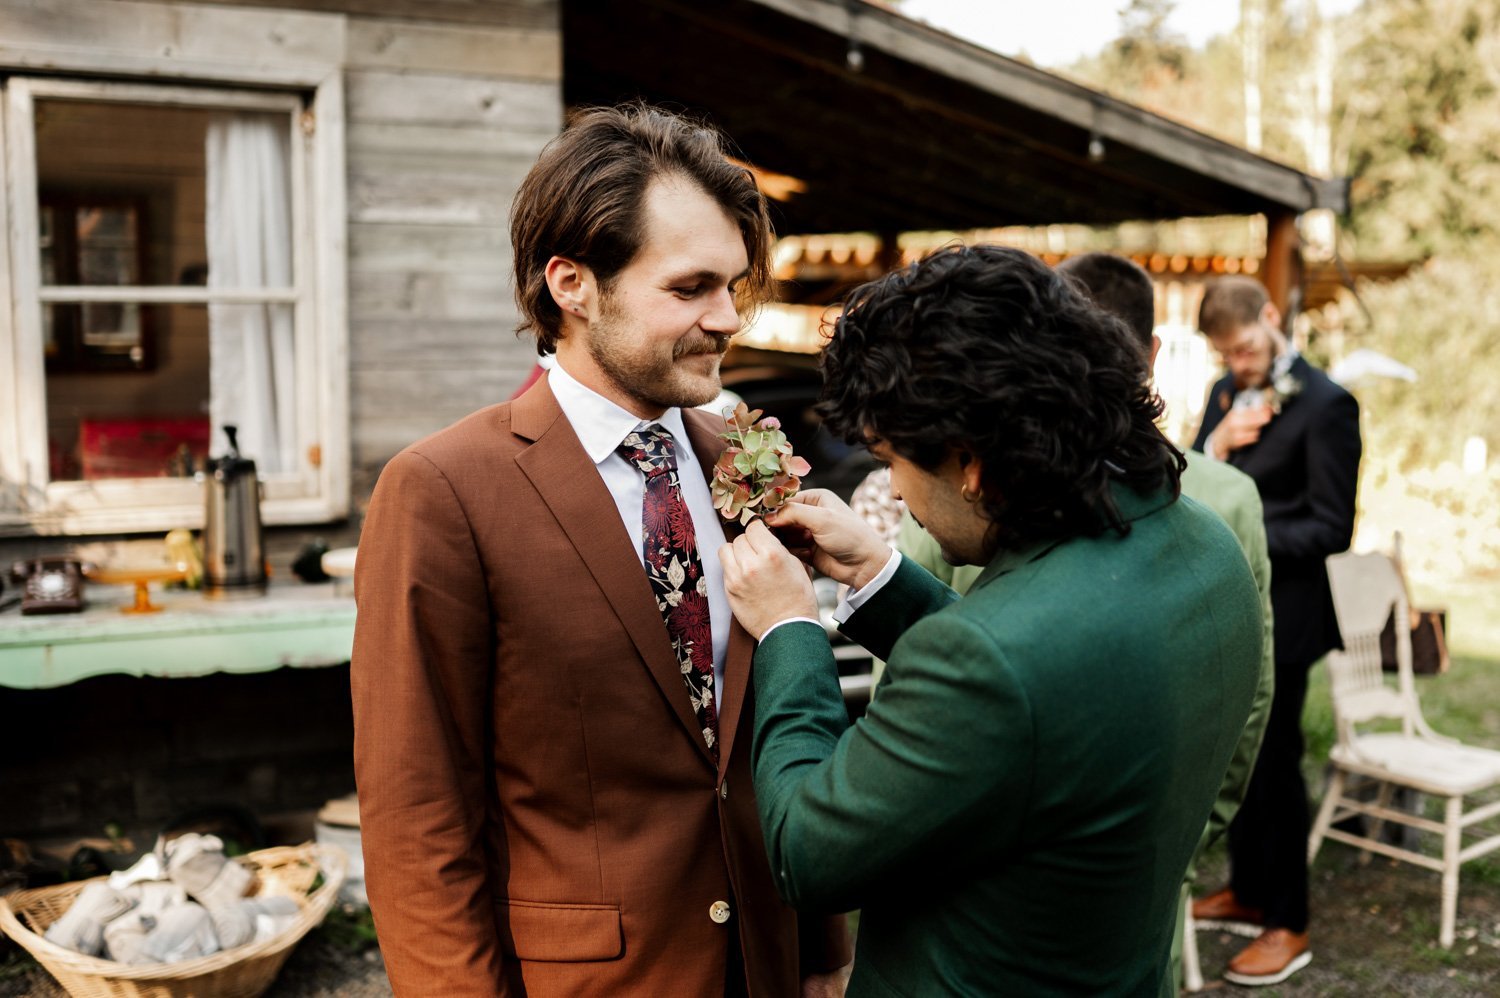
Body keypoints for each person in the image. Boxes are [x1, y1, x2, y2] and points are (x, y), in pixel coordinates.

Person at [351, 104, 851, 997]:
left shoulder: (740, 463)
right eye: (691, 288)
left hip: (767, 964)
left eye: (736, 286)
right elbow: (417, 814)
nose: (728, 318)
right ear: (572, 284)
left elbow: (770, 737)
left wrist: (823, 954)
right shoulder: (443, 490)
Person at [720, 244, 1263, 995]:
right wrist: (882, 575)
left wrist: (790, 627)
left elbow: (805, 852)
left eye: (892, 459)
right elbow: (1048, 693)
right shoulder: (1205, 544)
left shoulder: (989, 661)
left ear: (971, 462)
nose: (899, 495)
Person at [1057, 251, 1276, 988]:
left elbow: (904, 684)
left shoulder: (959, 489)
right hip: (1154, 843)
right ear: (1153, 352)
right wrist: (1191, 829)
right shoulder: (1231, 498)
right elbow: (1247, 693)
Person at [1189, 274, 1362, 986]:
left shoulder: (1328, 405)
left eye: (1247, 348)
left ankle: (1289, 921)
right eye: (1226, 355)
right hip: (1231, 608)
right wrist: (1218, 440)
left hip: (1289, 616)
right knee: (1240, 756)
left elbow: (1332, 525)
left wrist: (1248, 533)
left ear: (1270, 318)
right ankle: (1247, 887)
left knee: (1278, 764)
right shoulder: (1224, 396)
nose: (1239, 364)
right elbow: (1194, 473)